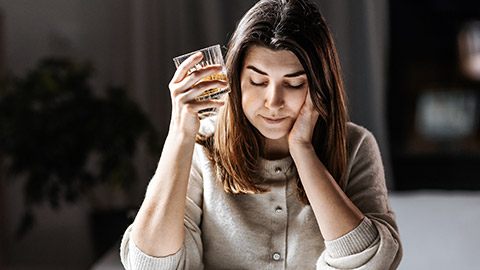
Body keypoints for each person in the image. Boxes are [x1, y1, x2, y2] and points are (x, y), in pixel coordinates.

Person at [120, 0, 402, 269]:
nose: (273, 102)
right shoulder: (203, 144)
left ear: (319, 85)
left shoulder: (355, 145)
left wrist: (303, 150)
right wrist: (180, 135)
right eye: (257, 81)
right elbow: (149, 264)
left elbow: (373, 263)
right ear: (236, 80)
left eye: (293, 84)